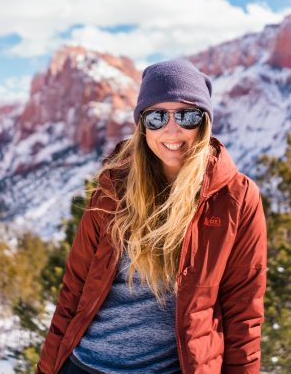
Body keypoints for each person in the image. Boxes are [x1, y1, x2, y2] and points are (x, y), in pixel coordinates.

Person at [36, 59, 267, 374]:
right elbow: (73, 291)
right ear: (142, 125)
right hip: (84, 364)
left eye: (187, 115)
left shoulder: (236, 199)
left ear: (204, 122)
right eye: (157, 117)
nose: (172, 130)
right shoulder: (112, 190)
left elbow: (244, 314)